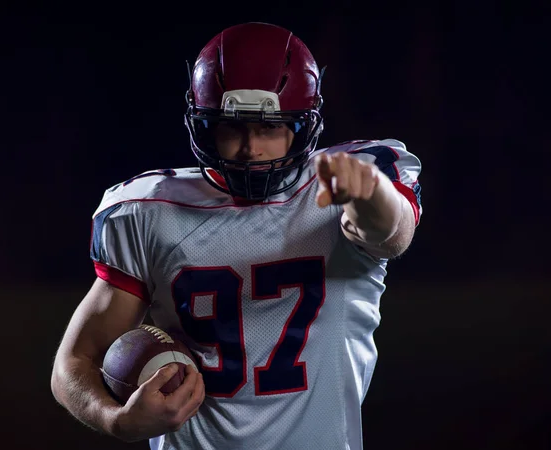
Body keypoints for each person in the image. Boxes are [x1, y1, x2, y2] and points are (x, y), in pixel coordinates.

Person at [51, 22, 422, 450]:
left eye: (269, 128)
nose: (251, 149)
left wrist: (369, 194)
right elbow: (75, 361)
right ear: (205, 126)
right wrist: (116, 420)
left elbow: (391, 235)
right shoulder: (149, 212)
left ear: (302, 126)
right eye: (232, 128)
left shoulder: (346, 185)